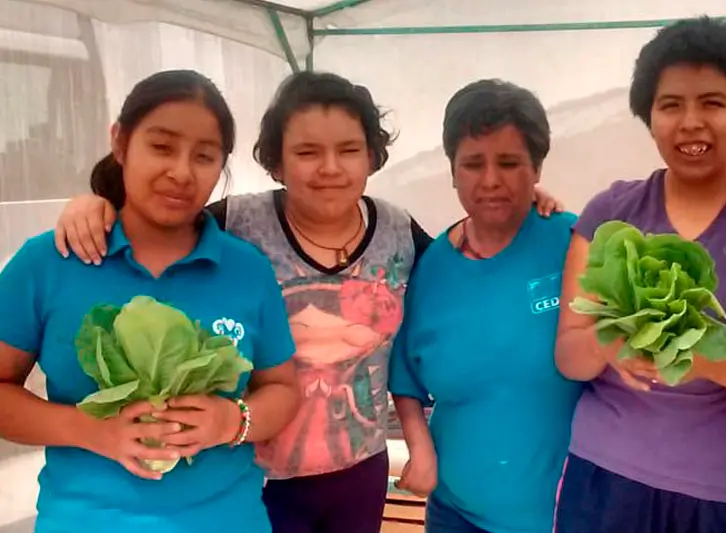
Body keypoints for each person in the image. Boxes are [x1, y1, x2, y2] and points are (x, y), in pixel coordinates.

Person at [50, 71, 563, 533]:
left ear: (372, 156)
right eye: (307, 152)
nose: (329, 169)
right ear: (275, 160)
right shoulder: (235, 223)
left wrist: (535, 203)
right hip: (253, 473)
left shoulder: (399, 232)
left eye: (348, 150)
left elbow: (471, 262)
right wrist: (97, 203)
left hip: (360, 470)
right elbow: (158, 222)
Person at [0, 70, 300, 533]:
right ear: (120, 142)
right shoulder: (48, 262)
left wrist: (232, 420)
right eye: (161, 147)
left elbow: (282, 389)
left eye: (204, 156)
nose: (181, 172)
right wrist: (90, 429)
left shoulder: (247, 270)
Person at [554, 16, 726, 533]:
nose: (690, 122)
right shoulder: (611, 211)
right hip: (607, 479)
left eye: (712, 102)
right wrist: (609, 344)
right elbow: (570, 354)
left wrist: (703, 360)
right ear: (649, 117)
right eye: (670, 105)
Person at [389, 79, 584, 533]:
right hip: (457, 515)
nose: (491, 180)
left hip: (568, 515)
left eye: (510, 162)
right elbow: (406, 380)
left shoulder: (575, 243)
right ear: (453, 171)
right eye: (473, 164)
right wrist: (419, 449)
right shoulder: (431, 268)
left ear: (537, 169)